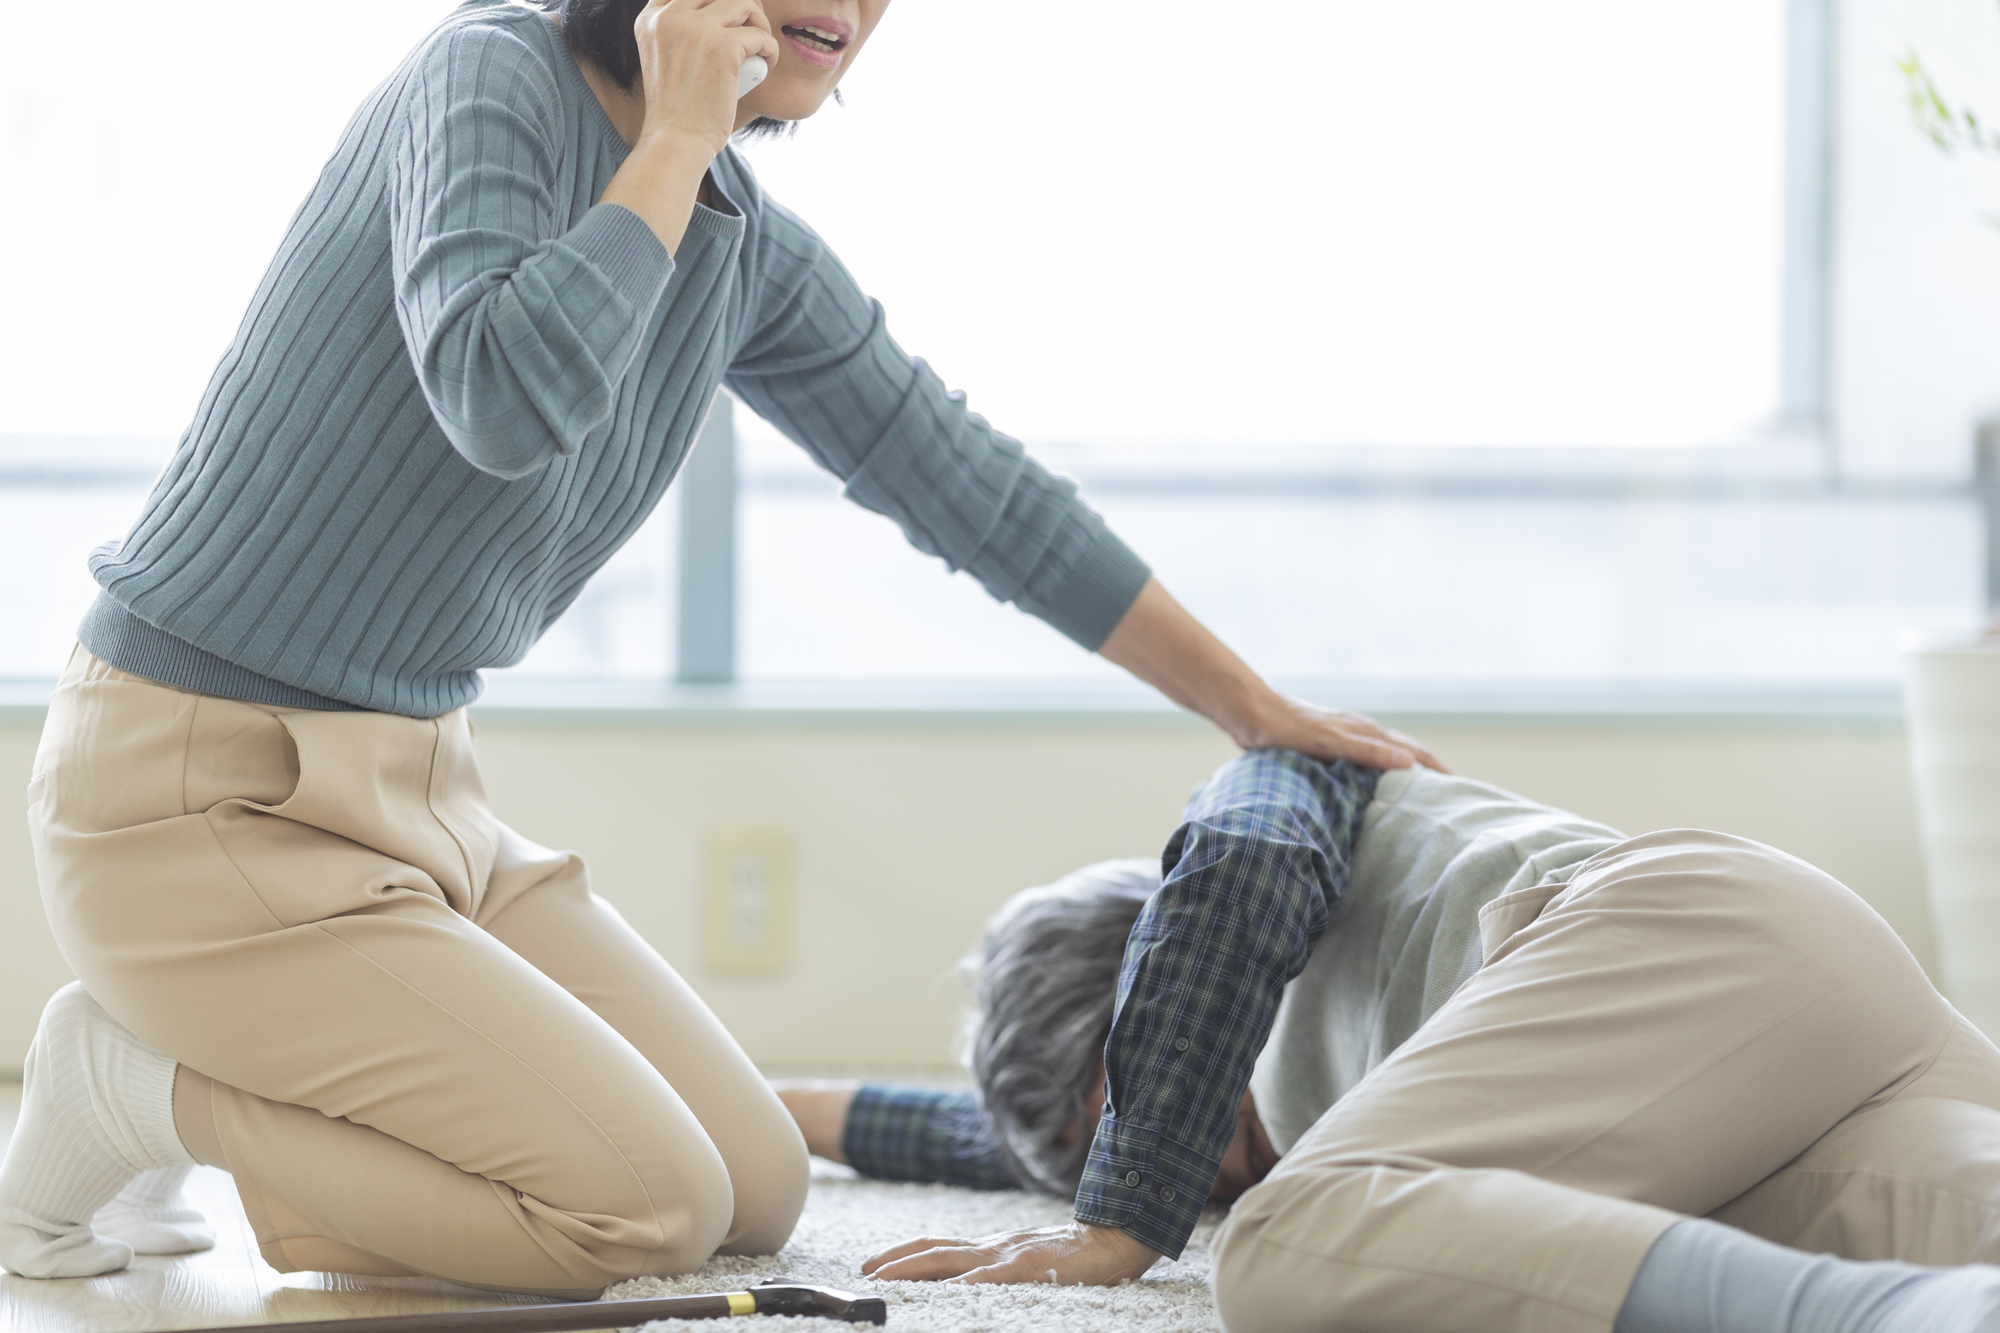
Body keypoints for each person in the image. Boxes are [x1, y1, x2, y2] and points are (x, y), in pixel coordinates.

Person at [0, 0, 1441, 1296]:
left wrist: (1250, 707)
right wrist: (679, 124)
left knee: (747, 1187)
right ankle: (133, 1087)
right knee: (639, 1210)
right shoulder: (485, 73)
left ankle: (214, 1076)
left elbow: (968, 485)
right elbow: (500, 397)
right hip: (196, 795)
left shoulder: (736, 243)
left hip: (423, 803)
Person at [780, 752, 2000, 1333]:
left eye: (1117, 1106)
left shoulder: (1274, 803)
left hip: (1676, 919)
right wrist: (761, 1108)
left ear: (1147, 978)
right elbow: (979, 1137)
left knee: (1291, 1243)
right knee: (1930, 1215)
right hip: (1808, 1045)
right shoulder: (1251, 1115)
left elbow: (1231, 879)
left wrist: (1121, 1218)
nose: (1198, 1173)